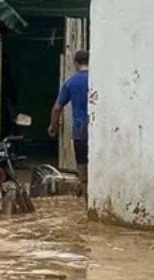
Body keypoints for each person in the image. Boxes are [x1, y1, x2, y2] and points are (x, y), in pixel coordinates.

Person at [49, 49, 89, 199]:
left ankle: (84, 193)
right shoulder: (97, 80)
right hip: (97, 130)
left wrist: (54, 126)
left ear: (76, 64)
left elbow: (57, 108)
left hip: (80, 130)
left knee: (82, 163)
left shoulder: (71, 82)